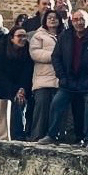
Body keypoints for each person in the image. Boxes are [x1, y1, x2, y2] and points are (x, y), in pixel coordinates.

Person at [43, 10, 88, 144]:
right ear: (71, 21)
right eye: (75, 20)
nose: (79, 22)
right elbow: (56, 57)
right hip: (68, 81)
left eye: (81, 19)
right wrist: (62, 76)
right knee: (56, 104)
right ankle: (52, 135)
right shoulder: (65, 36)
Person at [27, 10, 63, 141]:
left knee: (58, 108)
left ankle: (55, 136)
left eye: (55, 18)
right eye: (49, 18)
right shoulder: (39, 36)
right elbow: (35, 53)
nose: (52, 20)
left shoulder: (64, 35)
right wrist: (56, 56)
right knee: (41, 107)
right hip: (43, 78)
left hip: (60, 78)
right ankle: (37, 136)